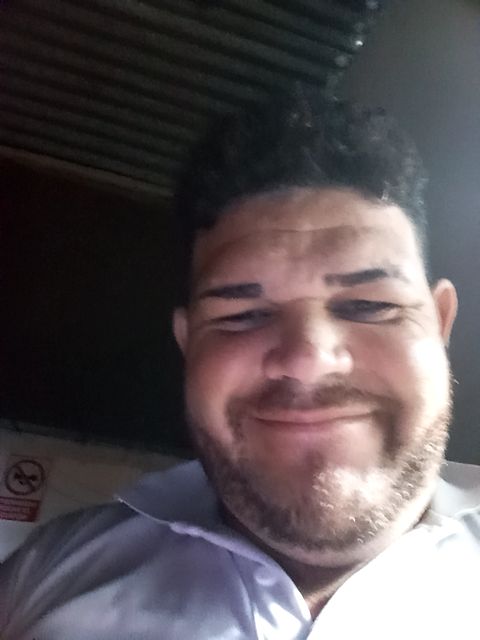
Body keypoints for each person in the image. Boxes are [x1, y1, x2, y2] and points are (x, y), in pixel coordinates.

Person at [1, 87, 479, 639]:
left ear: (440, 321)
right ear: (188, 342)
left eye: (369, 305)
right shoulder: (43, 579)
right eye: (242, 315)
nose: (306, 360)